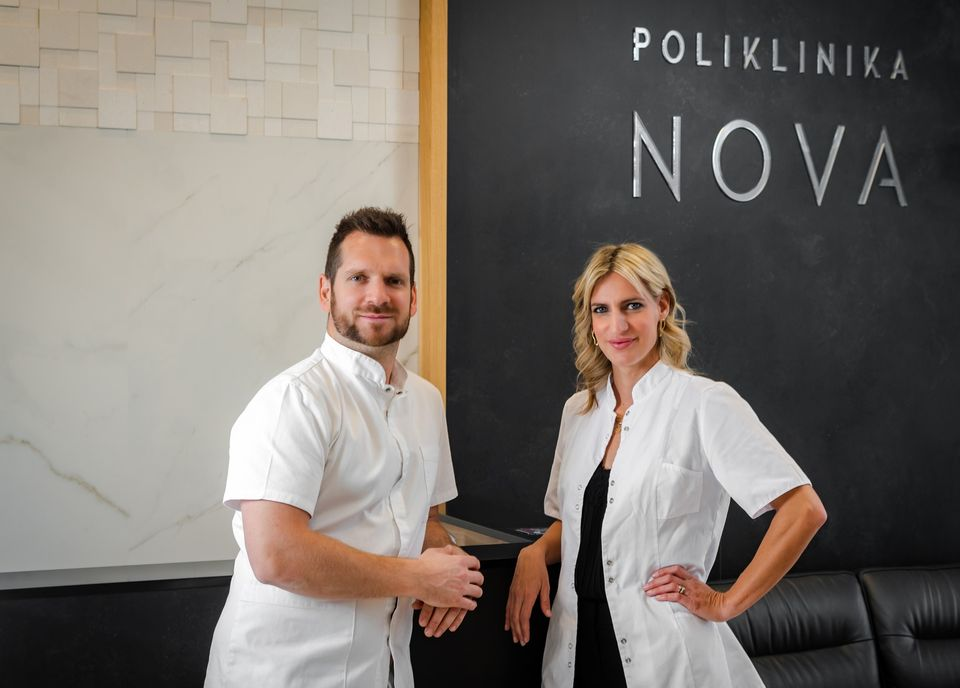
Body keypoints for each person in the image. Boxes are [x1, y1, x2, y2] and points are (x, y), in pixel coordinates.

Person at [504, 243, 827, 688]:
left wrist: (726, 603)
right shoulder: (579, 411)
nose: (617, 325)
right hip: (575, 652)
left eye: (632, 305)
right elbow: (578, 523)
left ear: (663, 307)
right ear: (589, 321)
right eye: (601, 310)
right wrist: (537, 551)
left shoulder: (704, 403)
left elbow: (804, 509)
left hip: (665, 657)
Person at [205, 207, 483, 688]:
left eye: (394, 281)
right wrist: (419, 578)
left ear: (414, 298)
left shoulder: (425, 401)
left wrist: (450, 568)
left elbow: (424, 520)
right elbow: (275, 553)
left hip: (382, 669)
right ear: (325, 291)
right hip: (282, 673)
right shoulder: (293, 399)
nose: (378, 296)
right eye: (358, 278)